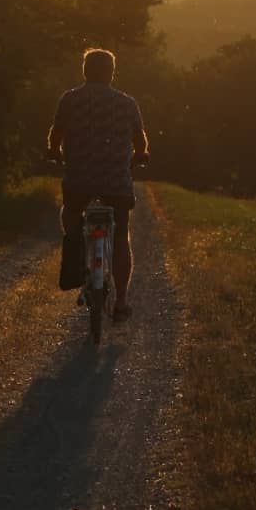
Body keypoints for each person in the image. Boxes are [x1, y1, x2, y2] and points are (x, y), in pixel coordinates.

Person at [46, 47, 150, 320]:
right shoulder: (127, 103)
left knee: (70, 213)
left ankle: (77, 247)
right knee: (121, 236)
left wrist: (54, 152)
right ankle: (121, 301)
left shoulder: (69, 99)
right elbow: (140, 141)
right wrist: (139, 157)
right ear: (112, 73)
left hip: (79, 180)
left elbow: (56, 135)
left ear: (85, 71)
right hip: (116, 183)